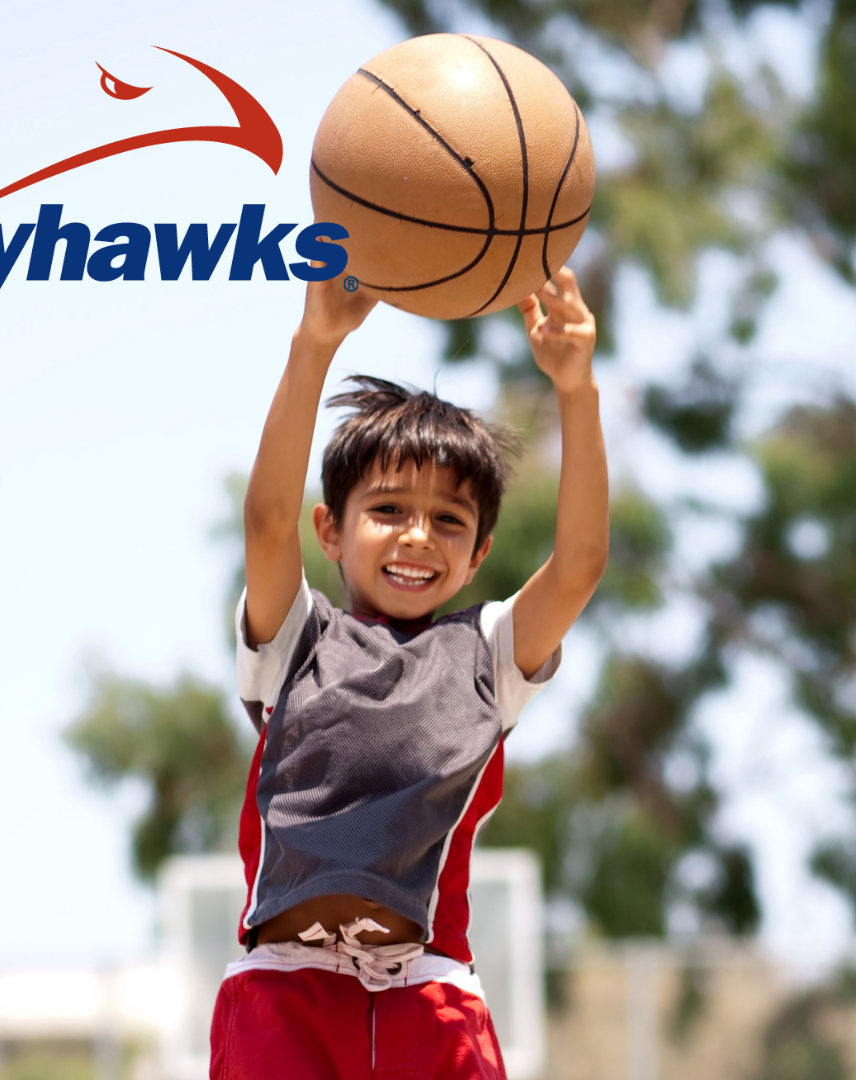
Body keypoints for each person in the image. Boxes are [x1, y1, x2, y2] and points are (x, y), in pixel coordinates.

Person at [210, 267, 608, 1080]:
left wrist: (577, 388)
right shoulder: (296, 641)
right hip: (284, 997)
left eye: (449, 520)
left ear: (479, 554)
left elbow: (579, 567)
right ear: (331, 527)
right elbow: (262, 519)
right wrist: (314, 343)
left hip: (429, 1001)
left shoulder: (488, 656)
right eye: (388, 510)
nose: (418, 536)